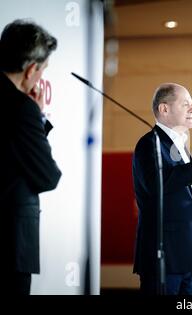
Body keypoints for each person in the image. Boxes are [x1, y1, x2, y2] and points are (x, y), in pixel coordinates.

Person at [133, 83, 192, 295]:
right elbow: (157, 185)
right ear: (164, 109)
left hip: (186, 257)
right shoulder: (149, 143)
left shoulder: (180, 147)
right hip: (163, 254)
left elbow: (175, 192)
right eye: (186, 104)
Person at [0, 19, 62, 295]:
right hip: (9, 245)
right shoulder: (21, 108)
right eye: (42, 71)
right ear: (31, 69)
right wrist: (36, 117)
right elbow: (48, 176)